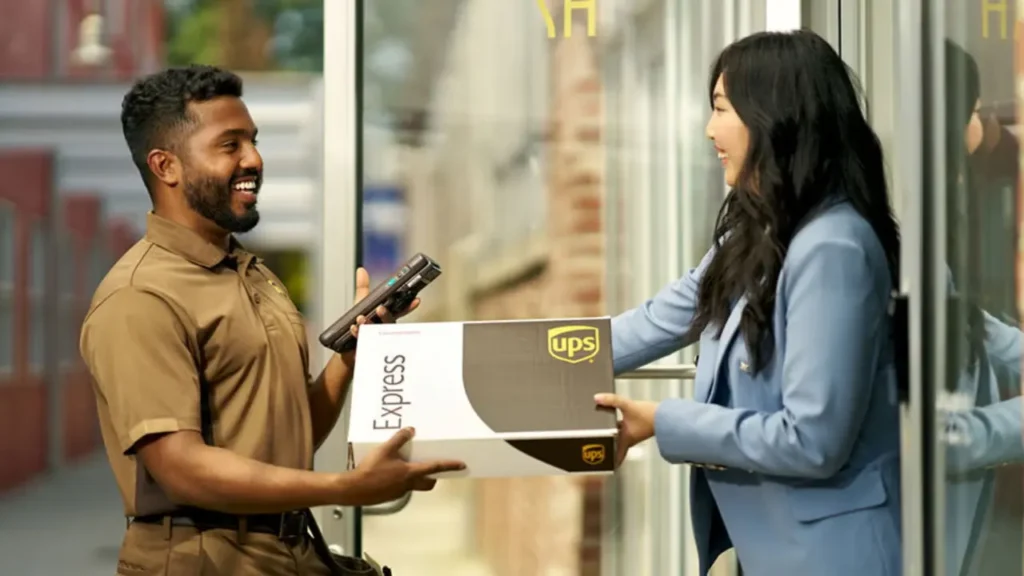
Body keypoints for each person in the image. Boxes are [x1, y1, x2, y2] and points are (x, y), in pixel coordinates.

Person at [79, 64, 465, 576]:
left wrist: (348, 360)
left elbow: (287, 436)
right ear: (165, 166)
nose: (254, 160)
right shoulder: (139, 297)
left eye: (253, 141)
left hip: (289, 555)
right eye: (229, 145)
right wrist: (347, 488)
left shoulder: (253, 274)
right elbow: (182, 470)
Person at [594, 30, 903, 574]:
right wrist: (521, 362)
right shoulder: (754, 236)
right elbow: (650, 323)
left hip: (834, 558)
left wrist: (660, 420)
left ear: (774, 115)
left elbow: (812, 439)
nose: (709, 130)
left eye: (721, 108)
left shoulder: (833, 247)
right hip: (775, 552)